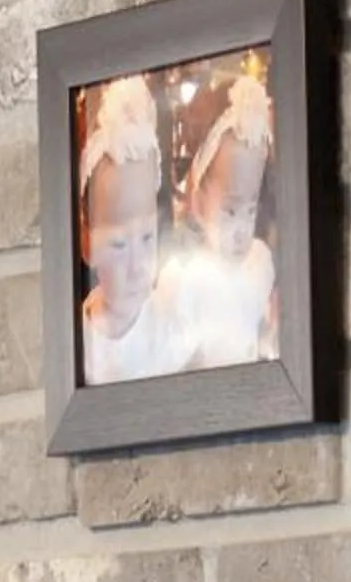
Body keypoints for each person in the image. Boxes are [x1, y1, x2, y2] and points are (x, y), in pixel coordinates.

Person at [160, 65, 278, 370]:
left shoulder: (259, 262)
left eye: (250, 210)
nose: (241, 229)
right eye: (230, 210)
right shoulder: (184, 281)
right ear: (199, 202)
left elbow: (263, 336)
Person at [77, 76, 179, 384]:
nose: (138, 267)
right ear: (87, 245)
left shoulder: (169, 321)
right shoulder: (80, 343)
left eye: (147, 238)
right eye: (120, 245)